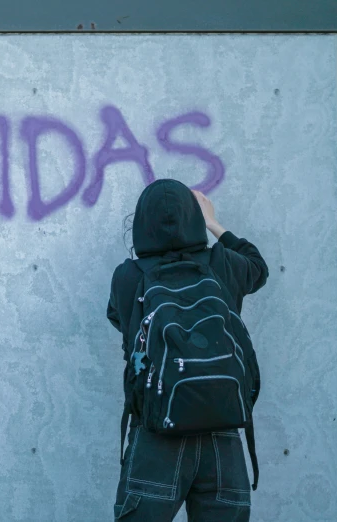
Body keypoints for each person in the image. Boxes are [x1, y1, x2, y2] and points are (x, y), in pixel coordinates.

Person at [107, 179, 269, 521]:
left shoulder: (128, 276)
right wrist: (213, 223)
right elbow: (257, 266)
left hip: (156, 431)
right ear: (195, 220)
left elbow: (117, 319)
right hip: (221, 431)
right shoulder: (223, 265)